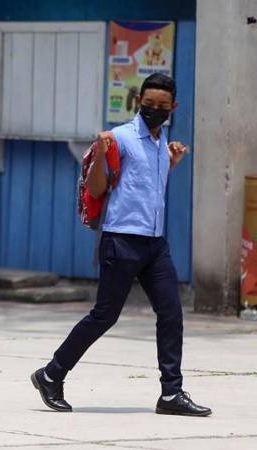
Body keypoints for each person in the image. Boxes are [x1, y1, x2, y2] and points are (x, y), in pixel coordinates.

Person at [31, 73, 212, 417]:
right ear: (138, 102)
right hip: (122, 240)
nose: (154, 110)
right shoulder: (120, 138)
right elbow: (98, 189)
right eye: (148, 104)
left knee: (171, 313)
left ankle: (171, 393)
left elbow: (144, 188)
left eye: (162, 106)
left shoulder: (162, 142)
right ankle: (51, 374)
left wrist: (170, 164)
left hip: (154, 244)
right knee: (105, 316)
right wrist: (101, 153)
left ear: (173, 107)